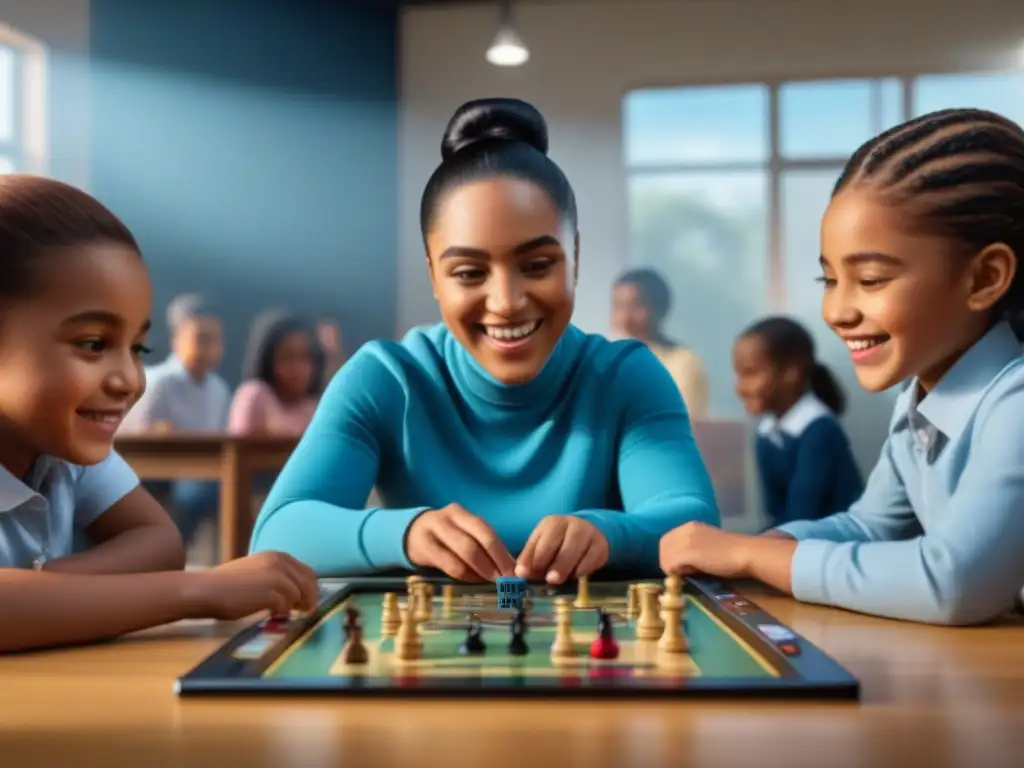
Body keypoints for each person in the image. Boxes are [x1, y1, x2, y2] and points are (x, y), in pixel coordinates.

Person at [250, 98, 719, 581]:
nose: (507, 301)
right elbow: (278, 533)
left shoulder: (627, 377)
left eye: (537, 266)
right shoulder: (386, 378)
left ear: (574, 257)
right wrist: (406, 532)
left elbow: (696, 525)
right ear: (434, 275)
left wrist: (608, 533)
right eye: (470, 272)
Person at [659, 108, 1024, 626]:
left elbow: (955, 582)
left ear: (985, 277)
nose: (837, 312)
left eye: (871, 279)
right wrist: (765, 546)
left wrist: (749, 557)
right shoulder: (918, 401)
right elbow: (873, 525)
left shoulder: (1016, 404)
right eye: (828, 281)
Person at [0, 175, 318, 653]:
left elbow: (159, 542)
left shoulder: (65, 452)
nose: (129, 379)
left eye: (137, 347)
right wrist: (201, 590)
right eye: (93, 344)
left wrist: (44, 587)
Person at [118, 293, 229, 548]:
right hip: (153, 472)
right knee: (196, 494)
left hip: (203, 471)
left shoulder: (219, 389)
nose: (210, 348)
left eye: (216, 340)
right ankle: (169, 555)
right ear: (176, 339)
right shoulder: (158, 382)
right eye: (202, 339)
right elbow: (134, 439)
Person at [733, 315, 862, 528]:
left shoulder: (819, 431)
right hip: (796, 541)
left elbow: (804, 515)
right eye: (739, 374)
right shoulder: (766, 433)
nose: (740, 387)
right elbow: (774, 512)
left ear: (791, 373)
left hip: (836, 547)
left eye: (750, 373)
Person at [611, 268, 710, 419]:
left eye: (635, 306)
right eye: (618, 306)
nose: (625, 318)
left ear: (660, 308)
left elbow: (683, 424)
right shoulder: (603, 362)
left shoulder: (683, 363)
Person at [228, 310, 322, 436]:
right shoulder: (254, 394)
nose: (299, 368)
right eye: (288, 358)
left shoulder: (317, 408)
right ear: (268, 360)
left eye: (306, 358)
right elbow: (239, 451)